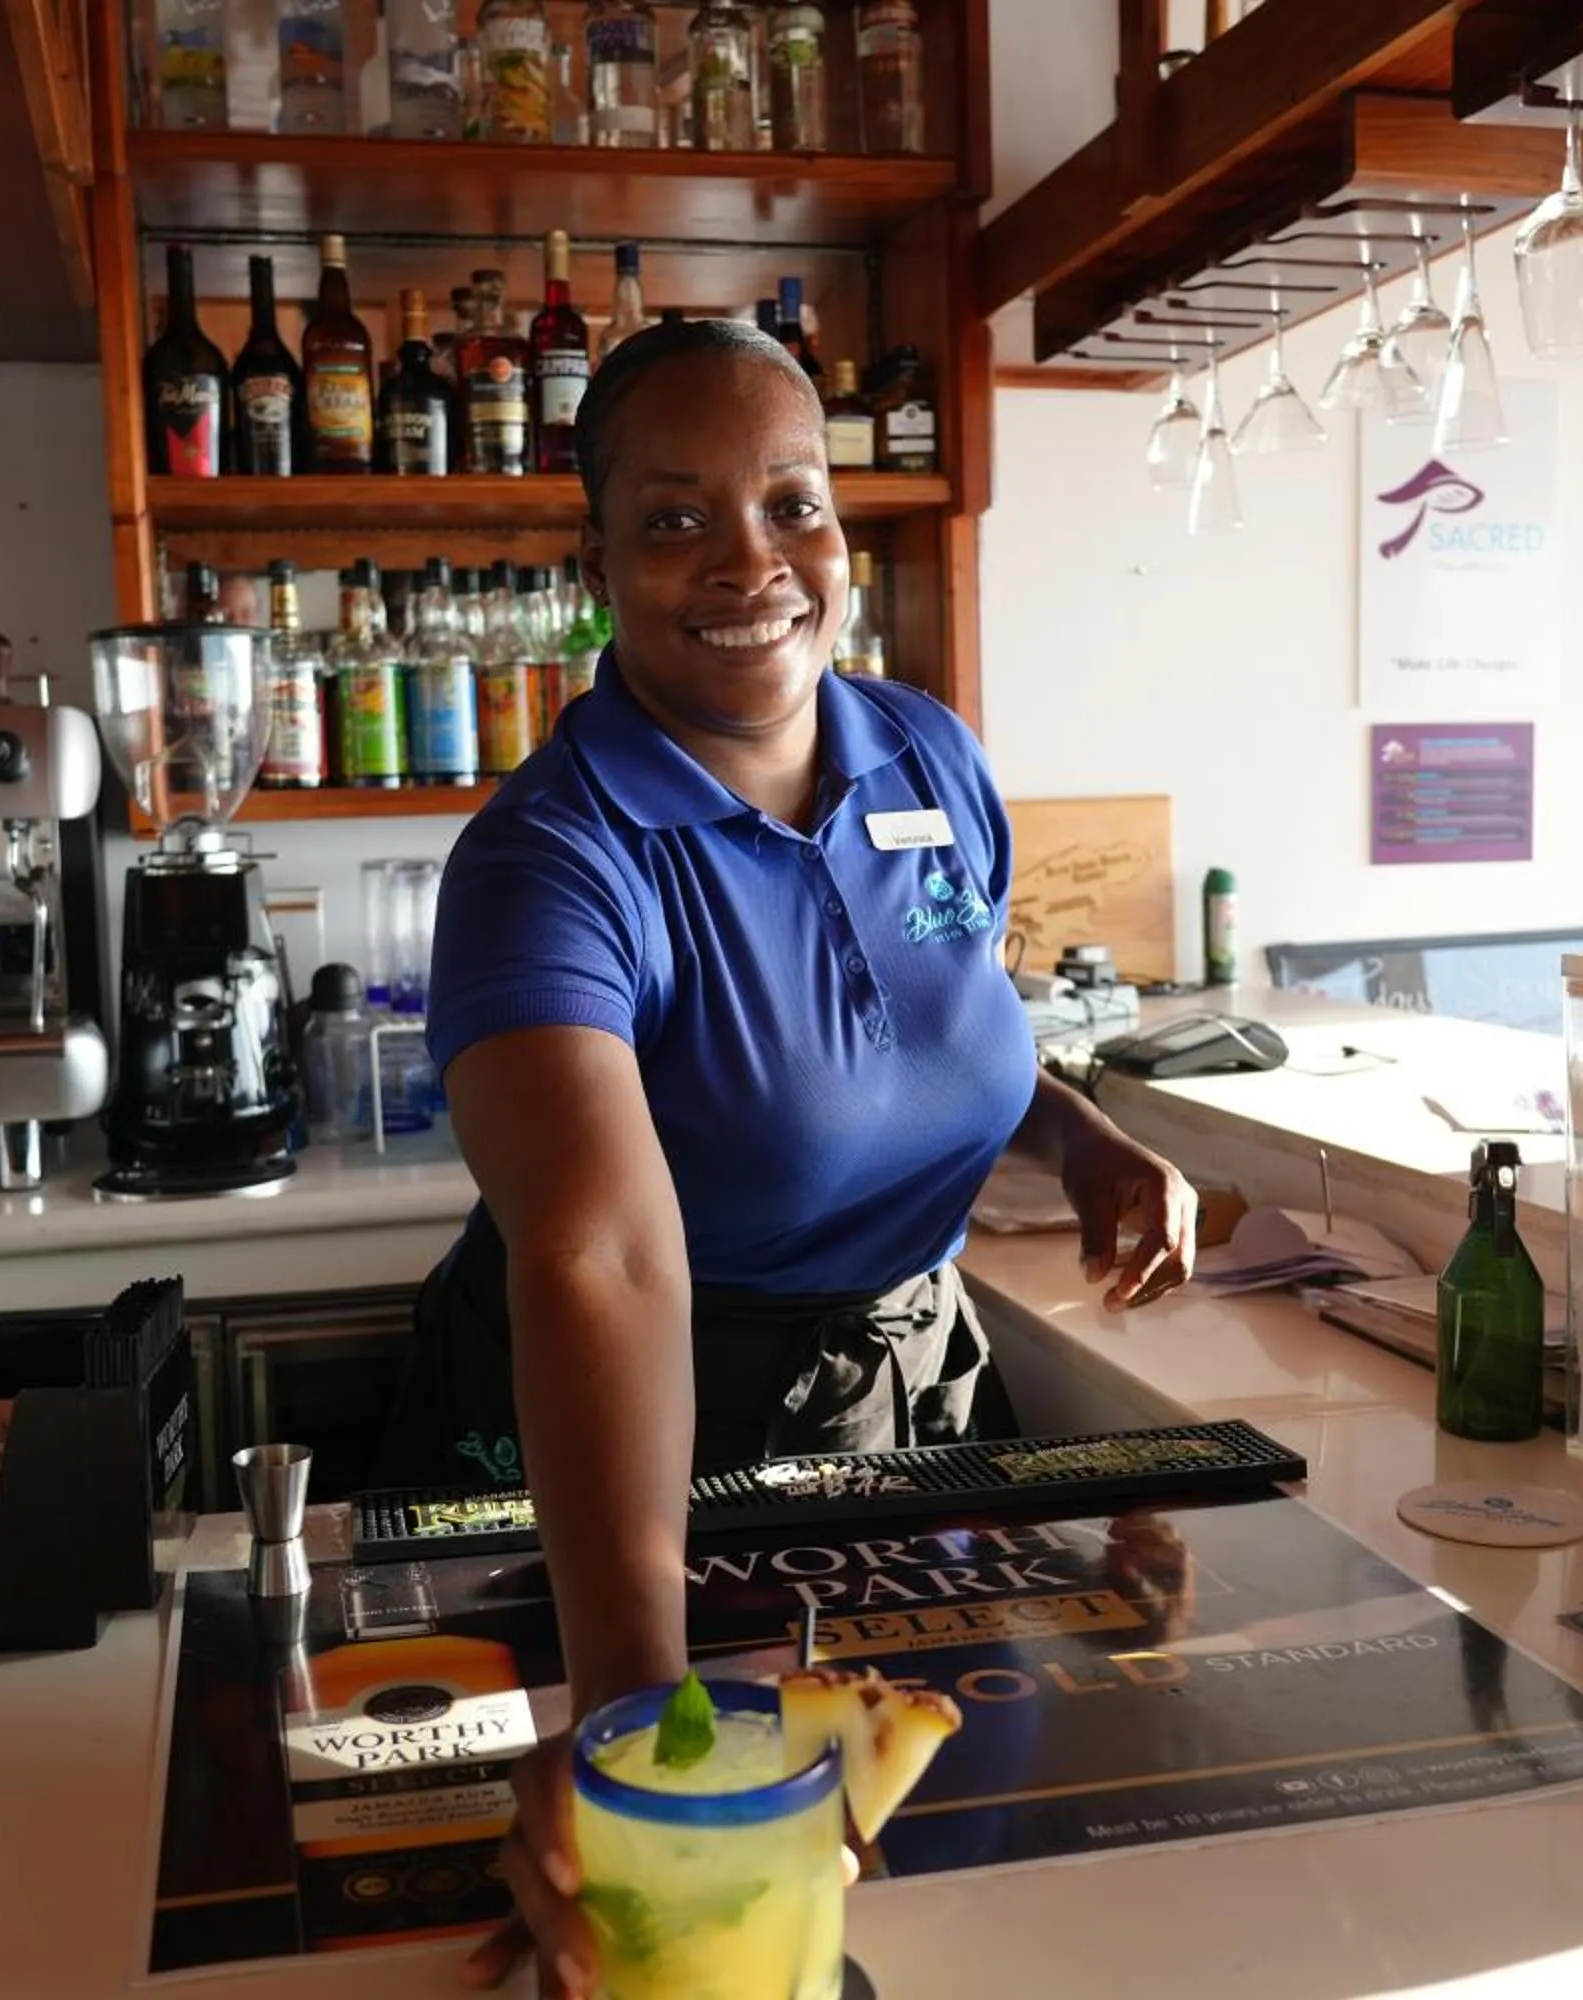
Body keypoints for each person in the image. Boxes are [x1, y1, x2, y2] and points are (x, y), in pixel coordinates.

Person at [385, 316, 1198, 1996]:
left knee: (928, 1864)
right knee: (663, 1905)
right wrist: (626, 1710)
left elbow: (944, 1019)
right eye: (676, 518)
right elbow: (600, 1256)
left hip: (913, 1395)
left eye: (794, 504)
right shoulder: (554, 856)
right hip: (648, 1427)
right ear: (593, 556)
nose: (752, 562)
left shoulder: (929, 753)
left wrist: (1086, 1133)